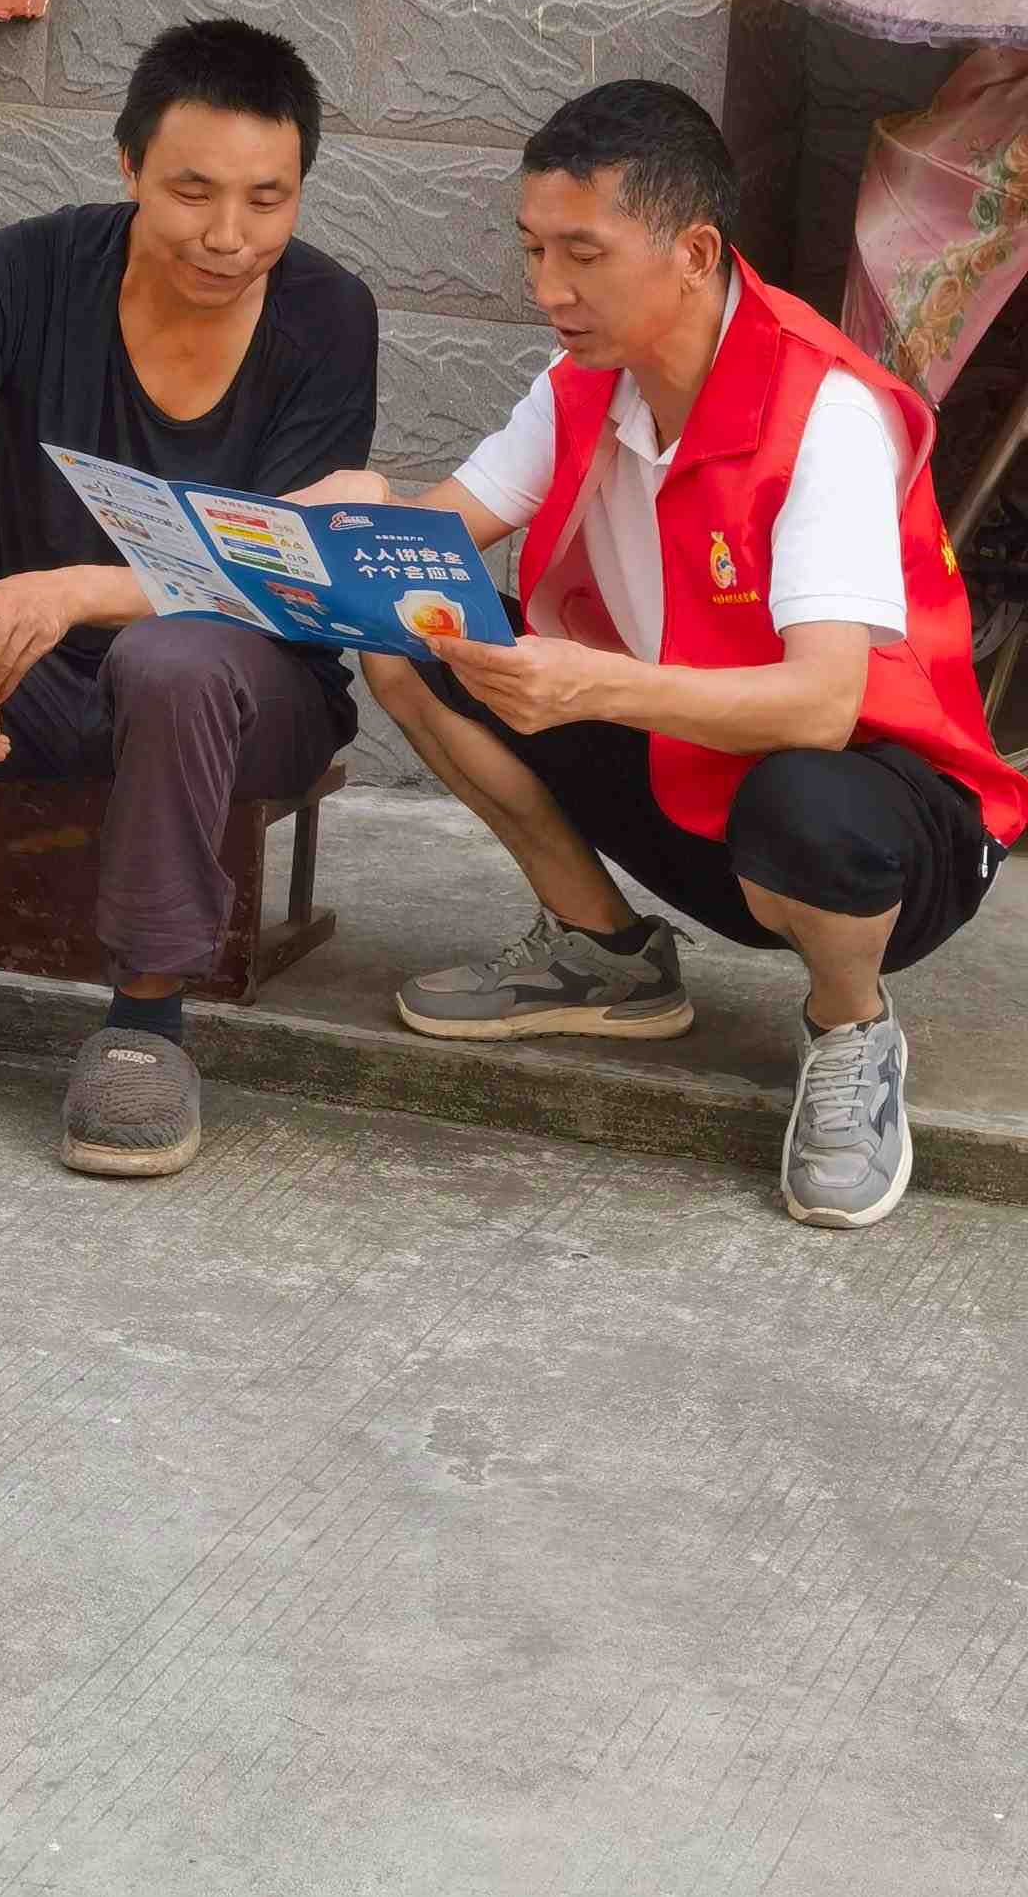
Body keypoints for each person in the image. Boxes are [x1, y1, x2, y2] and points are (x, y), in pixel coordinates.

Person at [320, 80, 1028, 1231]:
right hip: (689, 769)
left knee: (805, 803)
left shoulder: (822, 411)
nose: (547, 289)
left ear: (692, 253)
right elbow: (420, 545)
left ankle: (848, 1027)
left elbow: (821, 706)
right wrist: (335, 522)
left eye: (582, 255)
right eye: (533, 248)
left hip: (893, 823)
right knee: (412, 632)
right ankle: (603, 955)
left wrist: (590, 683)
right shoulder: (579, 385)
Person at [0, 19, 377, 1179]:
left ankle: (146, 1024)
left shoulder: (327, 313)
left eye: (267, 199)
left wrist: (83, 588)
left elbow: (298, 565)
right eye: (191, 191)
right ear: (129, 165)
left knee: (169, 658)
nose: (229, 236)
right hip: (27, 685)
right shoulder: (26, 271)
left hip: (248, 700)